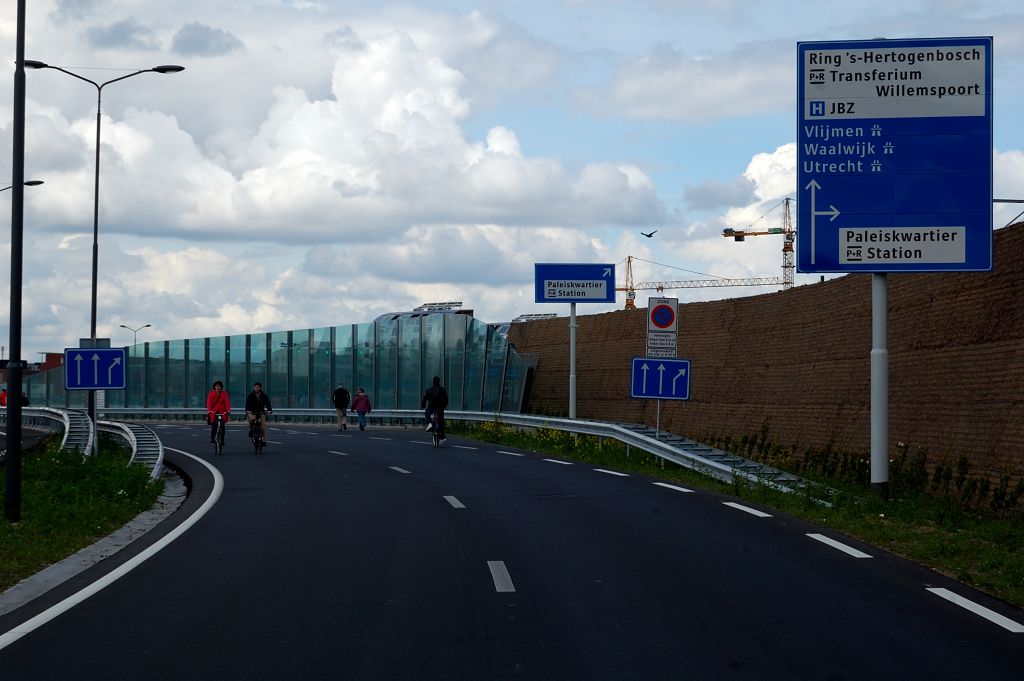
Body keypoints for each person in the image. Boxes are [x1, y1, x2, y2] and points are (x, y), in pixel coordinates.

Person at [245, 382, 273, 446]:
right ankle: (251, 430)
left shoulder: (264, 395)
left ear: (260, 388)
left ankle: (263, 440)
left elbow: (268, 403)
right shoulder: (251, 395)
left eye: (258, 387)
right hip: (253, 412)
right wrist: (248, 410)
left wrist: (269, 410)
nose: (257, 388)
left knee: (263, 426)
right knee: (251, 419)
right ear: (254, 388)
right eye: (256, 387)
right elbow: (247, 404)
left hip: (261, 412)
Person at [422, 376, 449, 440]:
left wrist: (423, 405)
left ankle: (430, 424)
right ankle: (442, 436)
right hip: (440, 407)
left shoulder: (429, 389)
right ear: (439, 382)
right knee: (441, 421)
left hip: (431, 406)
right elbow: (446, 399)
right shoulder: (442, 389)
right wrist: (444, 406)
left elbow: (425, 398)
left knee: (427, 413)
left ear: (433, 382)